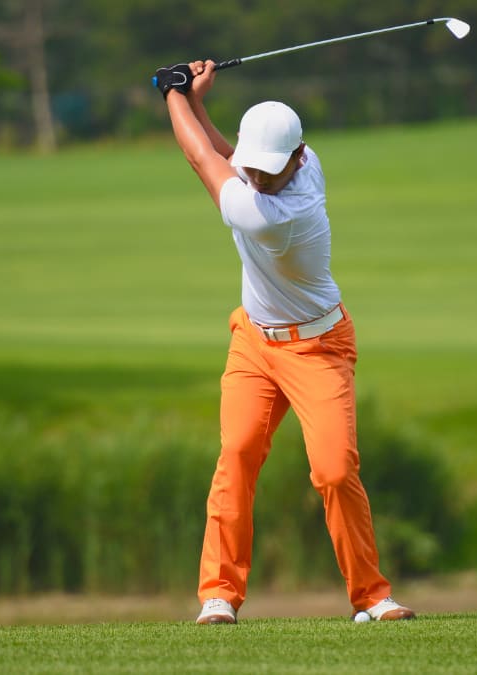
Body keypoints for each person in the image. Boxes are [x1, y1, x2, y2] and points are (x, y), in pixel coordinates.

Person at [154, 60, 416, 625]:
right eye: (256, 166)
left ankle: (372, 596)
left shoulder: (274, 216)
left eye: (272, 169)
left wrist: (171, 94)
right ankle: (218, 595)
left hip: (319, 348)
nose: (261, 177)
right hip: (254, 342)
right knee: (238, 454)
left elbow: (204, 158)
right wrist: (198, 102)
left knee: (334, 471)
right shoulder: (296, 161)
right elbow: (228, 154)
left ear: (298, 160)